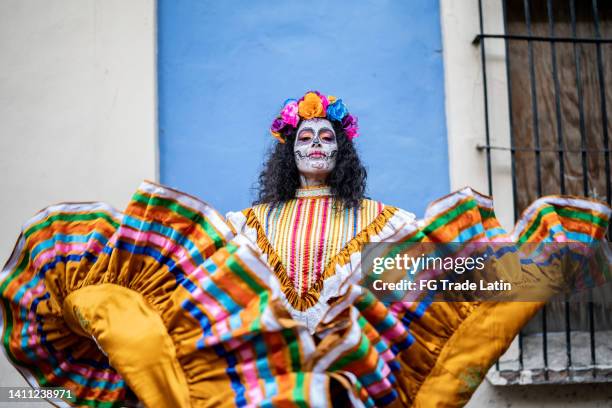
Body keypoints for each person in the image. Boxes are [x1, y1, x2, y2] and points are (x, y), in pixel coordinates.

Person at [0, 91, 609, 408]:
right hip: (263, 389)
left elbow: (425, 288)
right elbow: (220, 304)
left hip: (362, 389)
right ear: (288, 151)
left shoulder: (383, 221)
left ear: (341, 153)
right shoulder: (243, 225)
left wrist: (526, 270)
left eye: (326, 137)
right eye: (305, 136)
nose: (316, 144)